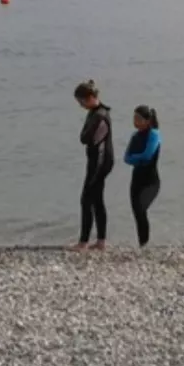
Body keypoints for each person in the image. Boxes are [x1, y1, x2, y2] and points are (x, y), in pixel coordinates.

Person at [74, 80, 113, 251]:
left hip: (100, 161)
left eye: (81, 101)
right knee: (97, 199)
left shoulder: (99, 115)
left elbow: (85, 138)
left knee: (86, 199)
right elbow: (85, 136)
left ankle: (83, 242)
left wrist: (85, 134)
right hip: (98, 159)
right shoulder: (95, 112)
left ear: (90, 98)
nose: (80, 105)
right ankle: (101, 241)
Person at [123, 105, 162, 247]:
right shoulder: (135, 136)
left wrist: (136, 158)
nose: (135, 121)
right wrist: (136, 158)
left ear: (147, 120)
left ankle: (145, 243)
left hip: (151, 181)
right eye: (134, 118)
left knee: (141, 209)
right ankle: (142, 244)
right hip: (136, 180)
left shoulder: (154, 135)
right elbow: (126, 158)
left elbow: (147, 155)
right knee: (137, 213)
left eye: (138, 118)